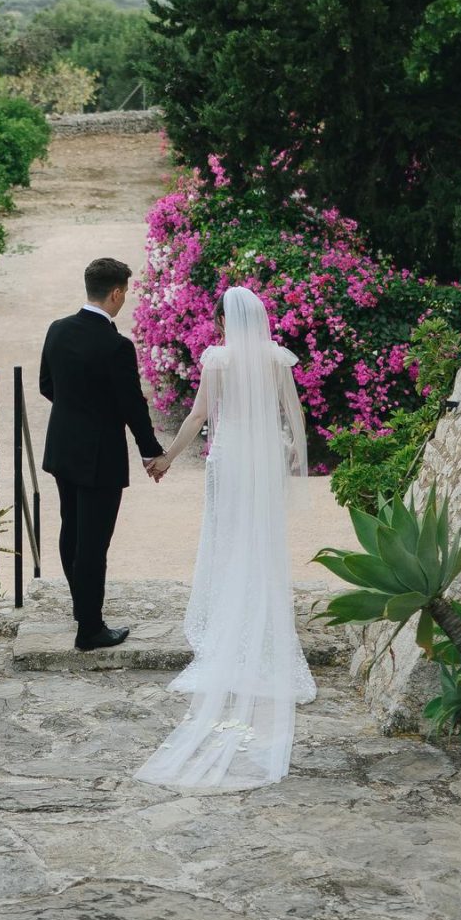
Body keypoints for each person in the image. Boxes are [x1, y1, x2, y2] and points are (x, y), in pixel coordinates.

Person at [135, 284, 312, 792]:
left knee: (228, 542)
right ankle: (263, 625)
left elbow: (198, 416)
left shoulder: (216, 358)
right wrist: (296, 460)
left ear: (225, 322)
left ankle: (232, 631)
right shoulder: (279, 358)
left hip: (228, 459)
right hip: (262, 461)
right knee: (262, 542)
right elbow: (293, 415)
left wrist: (167, 457)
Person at [39, 257, 164, 652]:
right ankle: (89, 628)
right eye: (124, 292)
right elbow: (132, 405)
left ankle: (82, 608)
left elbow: (47, 385)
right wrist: (151, 451)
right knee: (94, 542)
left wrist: (77, 412)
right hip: (99, 456)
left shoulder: (57, 330)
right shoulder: (116, 346)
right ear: (115, 293)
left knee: (71, 529)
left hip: (63, 447)